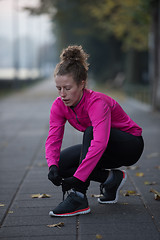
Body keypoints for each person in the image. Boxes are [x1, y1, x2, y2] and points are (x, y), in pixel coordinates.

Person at [45, 45, 144, 217]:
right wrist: (52, 165)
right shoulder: (59, 106)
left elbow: (99, 142)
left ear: (82, 84)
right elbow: (53, 138)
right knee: (61, 165)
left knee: (90, 133)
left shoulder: (97, 103)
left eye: (67, 88)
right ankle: (112, 180)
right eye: (59, 88)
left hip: (129, 145)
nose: (62, 94)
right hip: (103, 147)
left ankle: (78, 197)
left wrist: (78, 179)